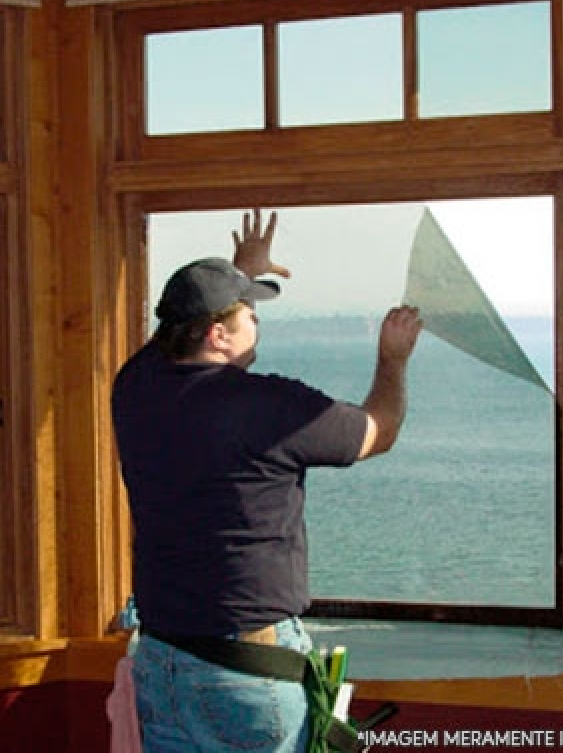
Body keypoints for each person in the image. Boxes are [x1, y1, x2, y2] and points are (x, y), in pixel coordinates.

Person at [111, 208, 422, 753]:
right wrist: (391, 359)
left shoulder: (134, 388)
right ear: (216, 334)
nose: (257, 321)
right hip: (247, 674)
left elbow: (175, 338)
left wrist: (239, 276)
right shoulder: (271, 408)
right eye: (249, 314)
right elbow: (382, 430)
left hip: (160, 666)